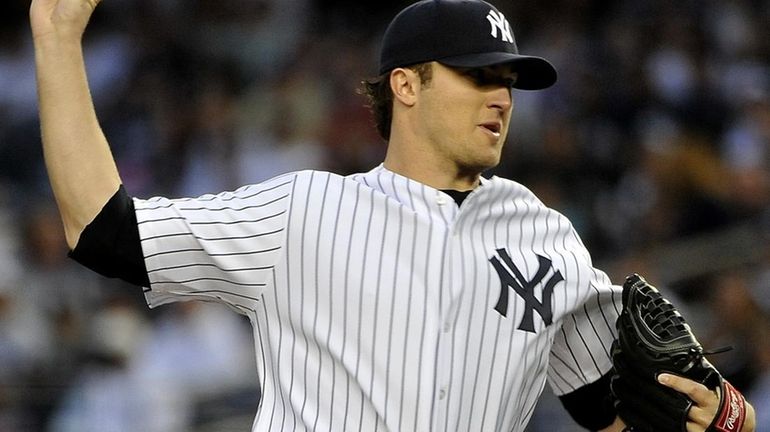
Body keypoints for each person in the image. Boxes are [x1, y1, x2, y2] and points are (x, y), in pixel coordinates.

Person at [30, 0, 756, 430]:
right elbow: (101, 230)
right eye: (479, 76)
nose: (501, 97)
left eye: (508, 80)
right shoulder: (305, 209)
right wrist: (58, 37)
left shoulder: (549, 238)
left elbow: (617, 415)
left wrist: (726, 418)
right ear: (405, 86)